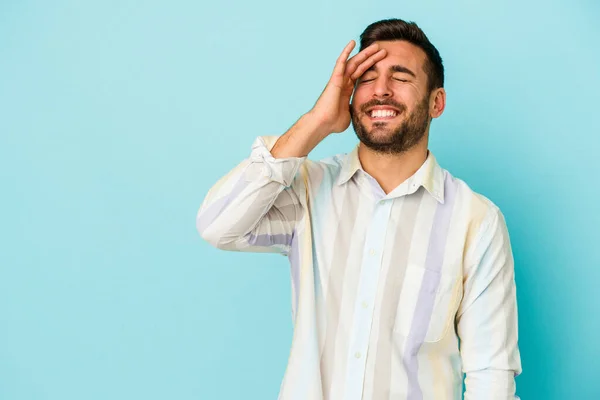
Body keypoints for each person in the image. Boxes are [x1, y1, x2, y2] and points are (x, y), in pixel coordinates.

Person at [196, 18, 522, 400]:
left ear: (437, 102)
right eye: (366, 78)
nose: (381, 90)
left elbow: (491, 376)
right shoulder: (306, 189)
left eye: (400, 77)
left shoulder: (476, 221)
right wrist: (316, 123)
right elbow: (218, 225)